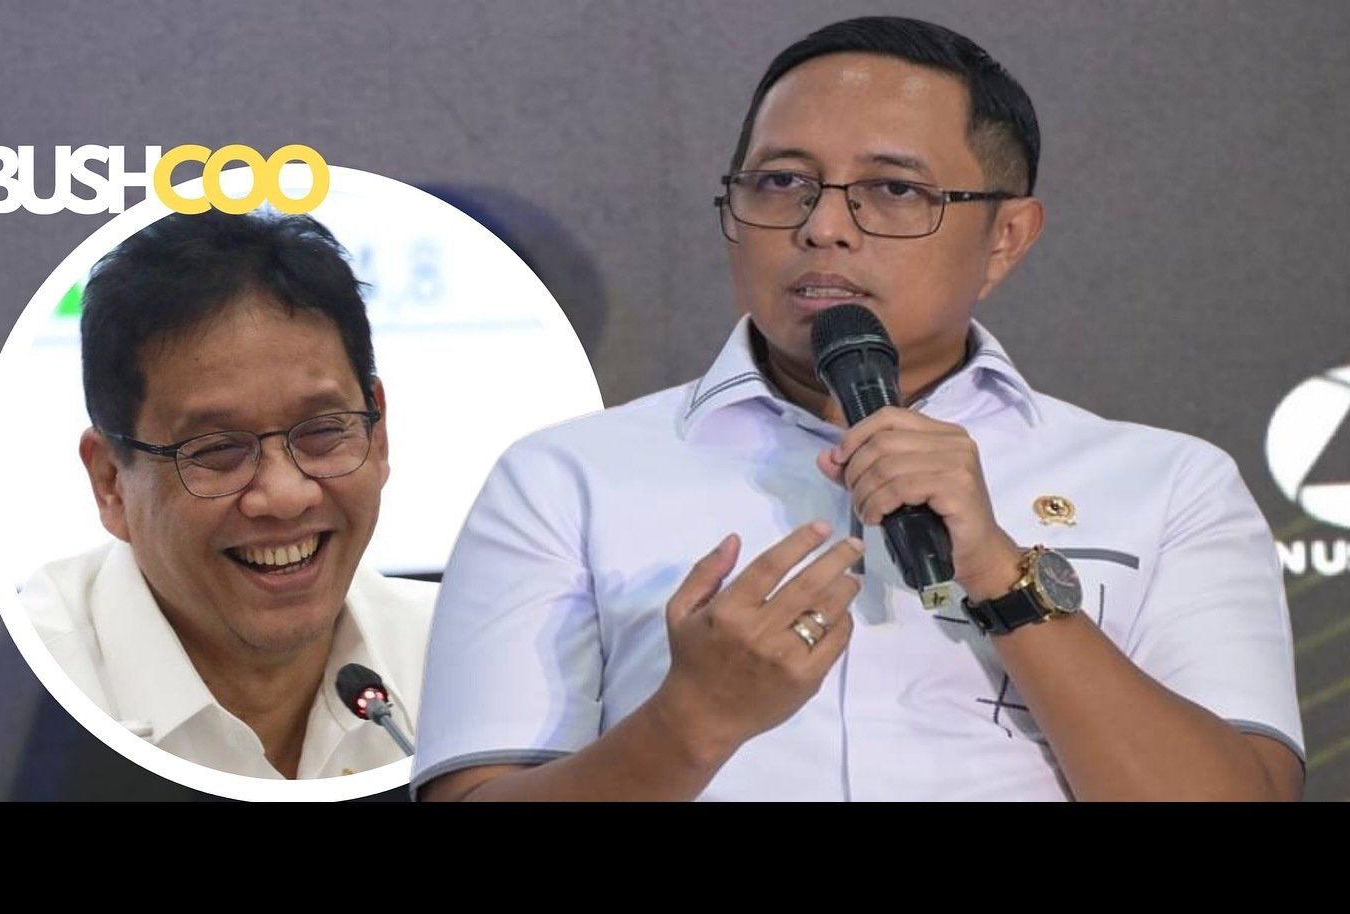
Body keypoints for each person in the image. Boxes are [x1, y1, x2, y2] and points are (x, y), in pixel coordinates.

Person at [410, 15, 1304, 801]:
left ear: (1005, 238)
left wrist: (1002, 572)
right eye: (780, 182)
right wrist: (691, 720)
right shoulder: (565, 479)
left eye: (894, 190)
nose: (822, 226)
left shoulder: (1170, 485)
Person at [19, 209, 434, 781]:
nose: (285, 496)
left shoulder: (469, 663)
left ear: (378, 434)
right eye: (216, 449)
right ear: (111, 482)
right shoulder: (20, 706)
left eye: (322, 432)